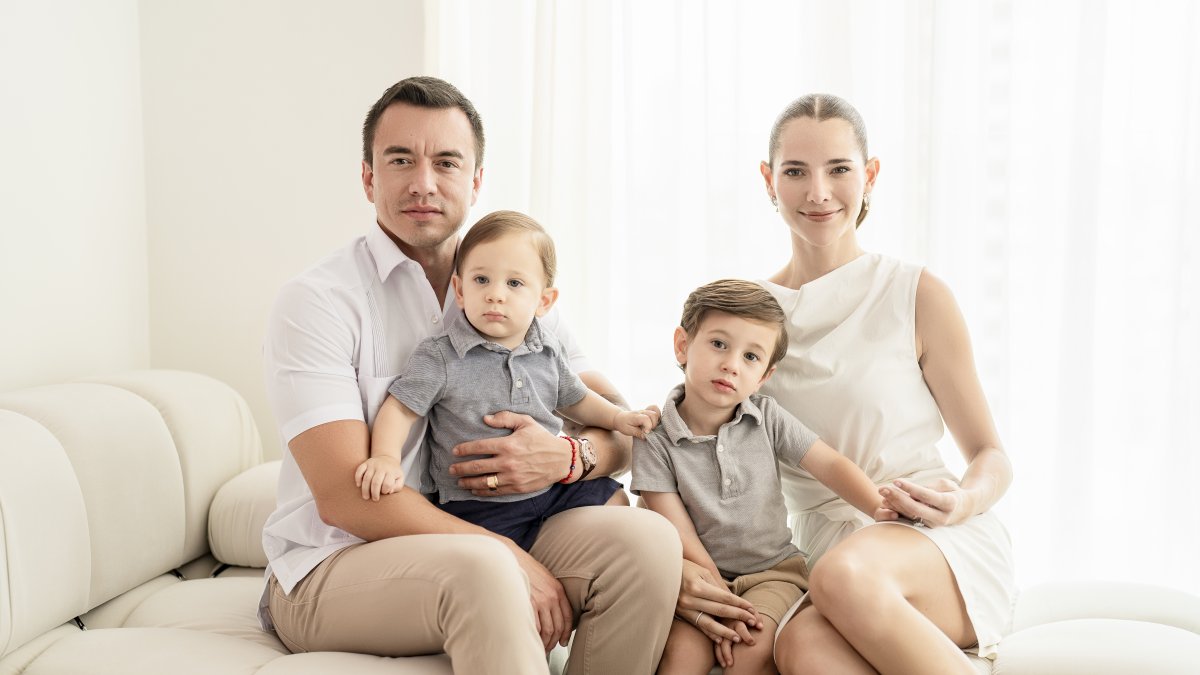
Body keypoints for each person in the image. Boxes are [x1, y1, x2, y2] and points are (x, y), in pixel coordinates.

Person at [259, 76, 681, 674]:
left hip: (481, 527)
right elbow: (343, 498)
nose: (423, 182)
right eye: (399, 160)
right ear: (368, 177)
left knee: (649, 543)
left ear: (475, 180)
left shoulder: (506, 284)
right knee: (485, 571)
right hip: (334, 565)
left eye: (447, 162)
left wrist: (567, 458)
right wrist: (505, 553)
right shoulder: (318, 301)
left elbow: (617, 426)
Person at [730, 93, 1011, 673]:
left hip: (933, 540)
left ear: (870, 174)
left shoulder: (915, 293)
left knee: (843, 576)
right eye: (795, 172)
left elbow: (990, 454)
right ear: (768, 179)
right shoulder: (748, 318)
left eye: (839, 169)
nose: (818, 192)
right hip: (828, 548)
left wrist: (962, 502)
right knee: (801, 646)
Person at [632, 279, 896, 675]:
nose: (731, 364)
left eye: (751, 357)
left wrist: (880, 508)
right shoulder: (653, 437)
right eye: (719, 344)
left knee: (749, 654)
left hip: (774, 572)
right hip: (700, 578)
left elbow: (828, 464)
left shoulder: (767, 417)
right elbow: (679, 532)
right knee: (679, 659)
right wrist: (721, 599)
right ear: (683, 346)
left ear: (764, 376)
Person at [356, 209, 659, 551]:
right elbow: (400, 409)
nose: (495, 294)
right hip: (476, 504)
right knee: (491, 561)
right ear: (460, 289)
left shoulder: (547, 348)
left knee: (613, 500)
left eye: (514, 283)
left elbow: (577, 399)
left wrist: (619, 418)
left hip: (551, 487)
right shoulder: (441, 355)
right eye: (481, 280)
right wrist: (384, 457)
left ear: (544, 301)